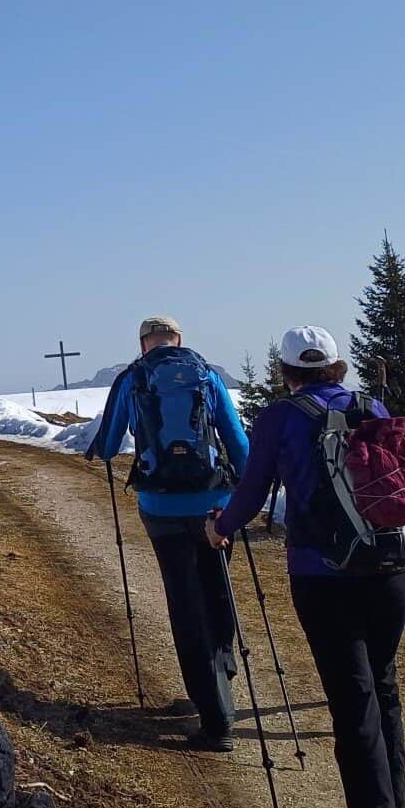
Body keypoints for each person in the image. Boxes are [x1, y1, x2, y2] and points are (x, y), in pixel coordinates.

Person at [205, 325, 405, 808]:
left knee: (353, 701)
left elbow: (253, 489)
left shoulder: (280, 418)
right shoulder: (370, 405)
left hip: (323, 574)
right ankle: (393, 803)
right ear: (336, 365)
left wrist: (221, 528)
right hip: (389, 566)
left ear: (287, 371)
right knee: (383, 682)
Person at [82, 316, 249, 753]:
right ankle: (224, 667)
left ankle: (215, 717)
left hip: (162, 508)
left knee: (185, 601)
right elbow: (236, 440)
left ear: (144, 344)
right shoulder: (206, 374)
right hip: (216, 504)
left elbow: (110, 443)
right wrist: (247, 492)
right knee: (217, 586)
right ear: (179, 341)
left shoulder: (132, 378)